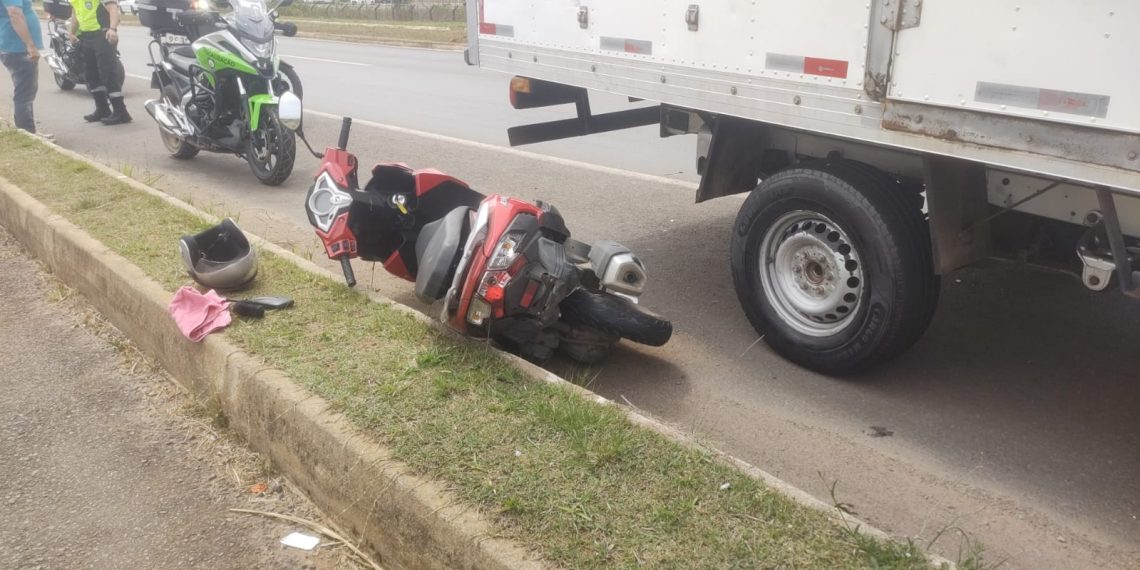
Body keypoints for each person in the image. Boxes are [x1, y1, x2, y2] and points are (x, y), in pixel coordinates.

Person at [68, 0, 130, 125]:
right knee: (91, 75)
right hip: (86, 36)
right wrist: (72, 32)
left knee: (108, 73)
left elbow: (113, 9)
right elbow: (75, 14)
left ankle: (120, 112)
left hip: (102, 34)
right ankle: (102, 109)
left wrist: (113, 29)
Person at [0, 0, 42, 133]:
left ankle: (28, 130)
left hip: (13, 45)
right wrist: (30, 44)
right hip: (18, 47)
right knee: (25, 93)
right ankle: (27, 131)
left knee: (26, 91)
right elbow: (15, 13)